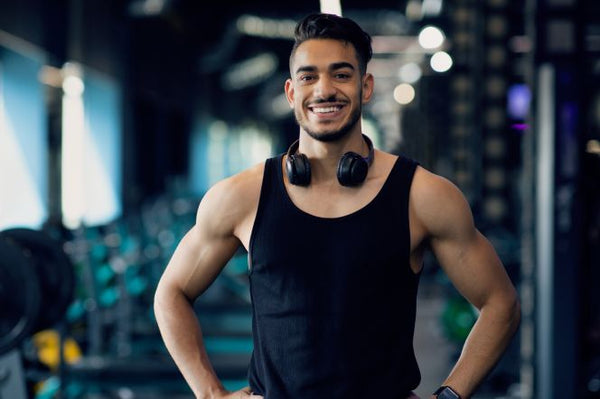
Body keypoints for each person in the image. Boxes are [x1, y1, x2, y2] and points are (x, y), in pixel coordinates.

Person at [154, 12, 520, 399]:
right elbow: (171, 293)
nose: (324, 89)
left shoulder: (422, 195)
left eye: (341, 74)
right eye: (309, 76)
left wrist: (449, 395)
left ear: (366, 87)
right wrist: (211, 393)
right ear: (292, 92)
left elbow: (500, 302)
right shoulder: (241, 196)